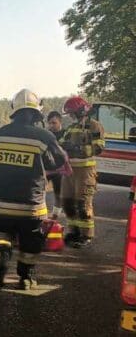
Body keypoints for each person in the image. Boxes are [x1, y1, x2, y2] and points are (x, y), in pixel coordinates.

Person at [0, 89, 67, 290]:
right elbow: (58, 160)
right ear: (36, 114)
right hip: (31, 206)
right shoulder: (43, 136)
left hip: (1, 203)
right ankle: (26, 278)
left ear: (15, 111)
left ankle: (2, 255)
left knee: (1, 234)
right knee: (30, 243)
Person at [60, 96, 105, 248]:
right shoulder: (71, 127)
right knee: (67, 202)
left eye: (72, 113)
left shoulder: (94, 126)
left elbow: (99, 147)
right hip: (69, 171)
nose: (71, 116)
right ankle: (74, 232)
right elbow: (61, 144)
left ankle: (86, 235)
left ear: (80, 111)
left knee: (83, 203)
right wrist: (63, 145)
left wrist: (79, 149)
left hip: (85, 171)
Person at [46, 110, 65, 218]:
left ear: (60, 121)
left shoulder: (66, 134)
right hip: (47, 168)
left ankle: (55, 216)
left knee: (58, 194)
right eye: (50, 123)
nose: (52, 125)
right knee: (39, 190)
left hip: (60, 169)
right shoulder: (46, 134)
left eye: (54, 123)